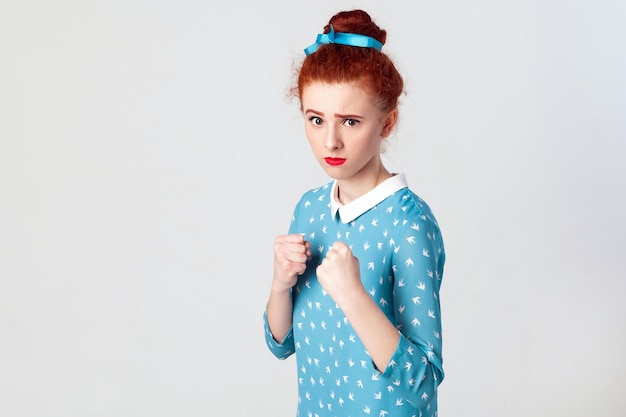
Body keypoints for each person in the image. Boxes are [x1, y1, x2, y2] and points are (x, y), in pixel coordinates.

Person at [263, 9, 445, 417]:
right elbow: (280, 343)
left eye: (350, 121)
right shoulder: (309, 208)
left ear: (387, 123)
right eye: (316, 119)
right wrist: (279, 284)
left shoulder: (409, 224)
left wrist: (352, 295)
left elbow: (423, 383)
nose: (331, 140)